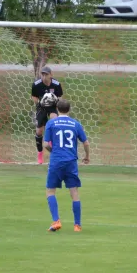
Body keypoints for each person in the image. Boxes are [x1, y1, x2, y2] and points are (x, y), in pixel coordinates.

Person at [43, 99, 90, 232]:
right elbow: (86, 143)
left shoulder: (51, 123)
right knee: (74, 192)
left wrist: (55, 152)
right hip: (71, 162)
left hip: (56, 161)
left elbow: (46, 144)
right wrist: (87, 156)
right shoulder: (75, 124)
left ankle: (56, 221)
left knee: (50, 190)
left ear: (57, 109)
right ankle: (77, 225)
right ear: (69, 109)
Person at [31, 65, 63, 164]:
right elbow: (34, 97)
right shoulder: (36, 84)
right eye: (42, 74)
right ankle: (40, 153)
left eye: (46, 74)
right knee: (39, 131)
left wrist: (57, 103)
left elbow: (60, 97)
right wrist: (41, 103)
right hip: (41, 106)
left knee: (54, 122)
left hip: (52, 106)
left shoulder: (56, 84)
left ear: (51, 75)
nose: (44, 77)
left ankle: (51, 143)